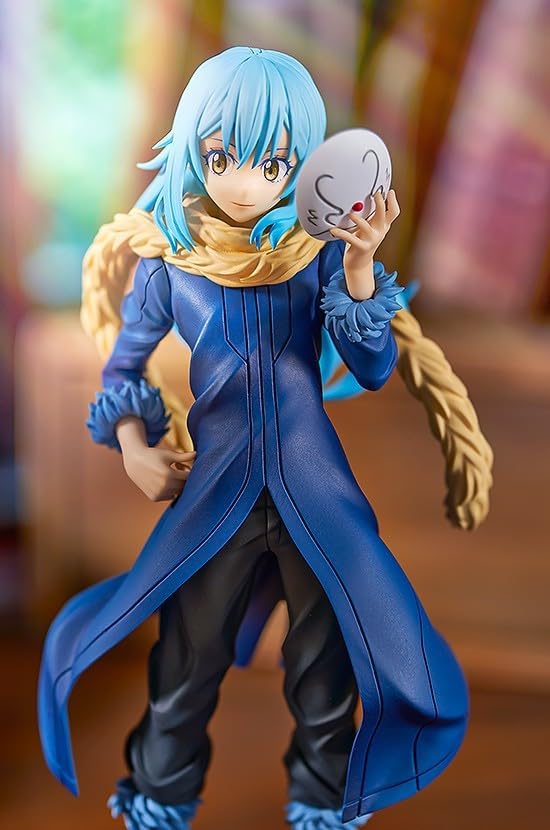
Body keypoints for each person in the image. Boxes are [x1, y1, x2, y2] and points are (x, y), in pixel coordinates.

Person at [38, 47, 493, 830]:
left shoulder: (315, 256)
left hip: (317, 496)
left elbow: (372, 367)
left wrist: (359, 266)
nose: (246, 182)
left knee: (326, 674)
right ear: (194, 149)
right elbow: (123, 369)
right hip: (215, 497)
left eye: (273, 161)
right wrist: (137, 448)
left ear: (301, 163)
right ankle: (158, 797)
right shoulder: (171, 263)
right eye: (222, 157)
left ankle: (323, 801)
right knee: (185, 664)